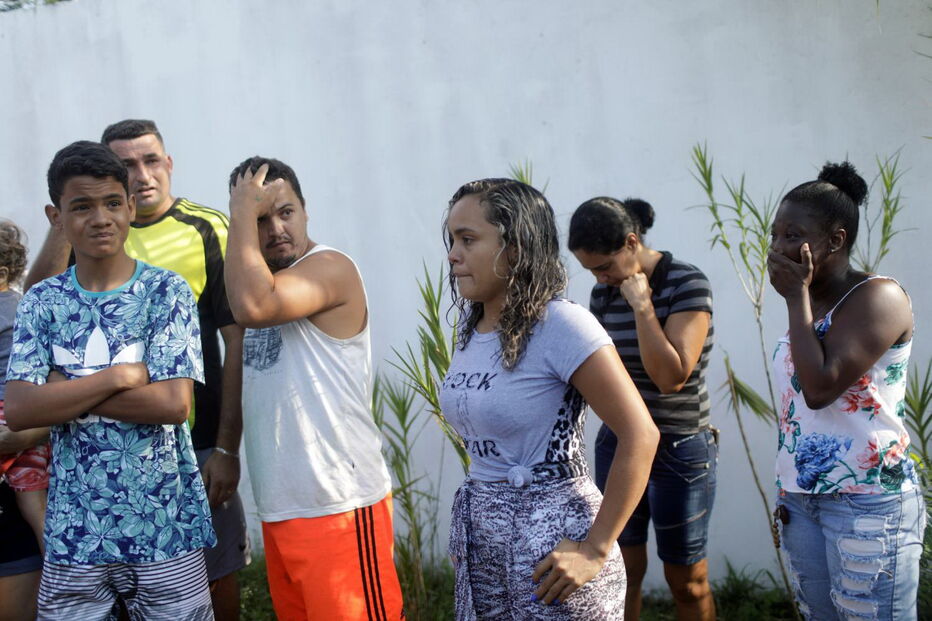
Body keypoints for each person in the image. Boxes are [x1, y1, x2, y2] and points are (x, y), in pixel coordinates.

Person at [25, 119, 248, 618]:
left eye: (150, 162)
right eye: (127, 165)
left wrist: (228, 446)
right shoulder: (55, 287)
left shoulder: (189, 250)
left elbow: (188, 387)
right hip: (82, 507)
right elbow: (20, 403)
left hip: (176, 475)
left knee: (217, 582)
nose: (142, 175)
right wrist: (121, 377)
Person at [439, 179, 658, 619]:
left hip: (555, 555)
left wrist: (595, 549)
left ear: (515, 248)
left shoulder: (561, 324)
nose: (452, 255)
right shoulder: (472, 331)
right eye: (451, 240)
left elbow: (641, 434)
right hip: (484, 550)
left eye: (467, 239)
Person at [224, 157, 404, 620]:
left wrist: (242, 213)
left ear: (306, 210)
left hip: (340, 505)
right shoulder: (258, 277)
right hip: (284, 509)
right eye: (261, 219)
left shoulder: (329, 267)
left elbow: (253, 306)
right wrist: (226, 449)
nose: (276, 228)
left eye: (285, 212)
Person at [768, 161, 924, 620]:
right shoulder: (812, 301)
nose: (779, 247)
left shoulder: (879, 298)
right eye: (775, 235)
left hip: (868, 500)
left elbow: (819, 388)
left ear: (835, 240)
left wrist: (796, 300)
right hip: (802, 496)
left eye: (793, 235)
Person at [567, 197, 718, 620]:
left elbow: (670, 377)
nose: (601, 279)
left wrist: (643, 306)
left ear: (632, 242)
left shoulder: (687, 283)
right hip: (621, 445)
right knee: (621, 569)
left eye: (605, 267)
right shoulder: (605, 292)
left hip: (680, 447)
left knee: (687, 580)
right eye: (592, 271)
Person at [0, 220, 47, 621]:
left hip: (9, 409)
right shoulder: (23, 306)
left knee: (30, 494)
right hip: (26, 410)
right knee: (30, 491)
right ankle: (58, 561)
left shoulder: (13, 309)